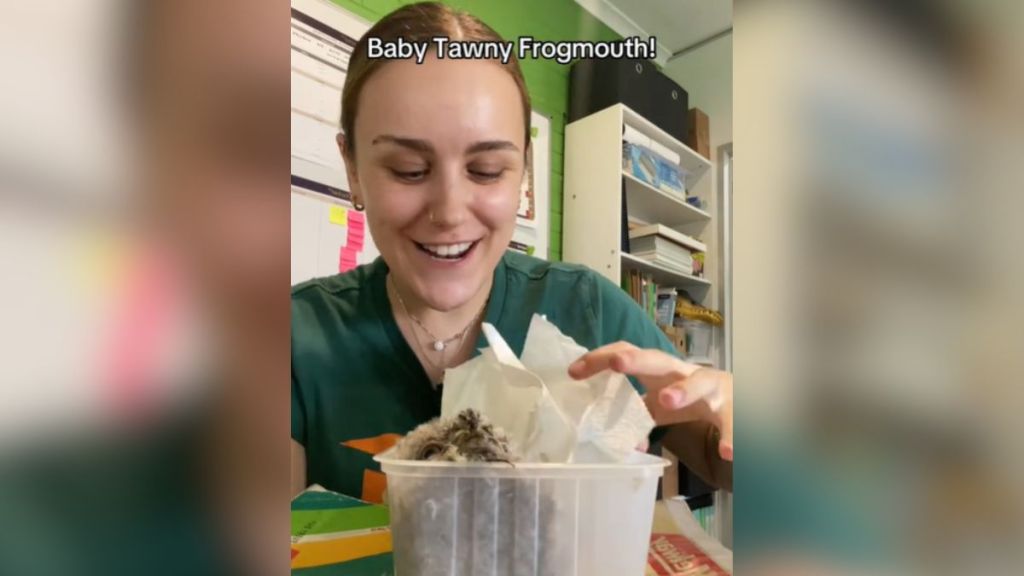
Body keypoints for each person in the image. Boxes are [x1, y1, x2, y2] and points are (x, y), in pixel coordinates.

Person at [291, 1, 733, 503]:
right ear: (352, 169)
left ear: (522, 170)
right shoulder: (294, 337)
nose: (450, 212)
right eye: (409, 169)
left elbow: (730, 466)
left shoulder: (586, 309)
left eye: (486, 170)